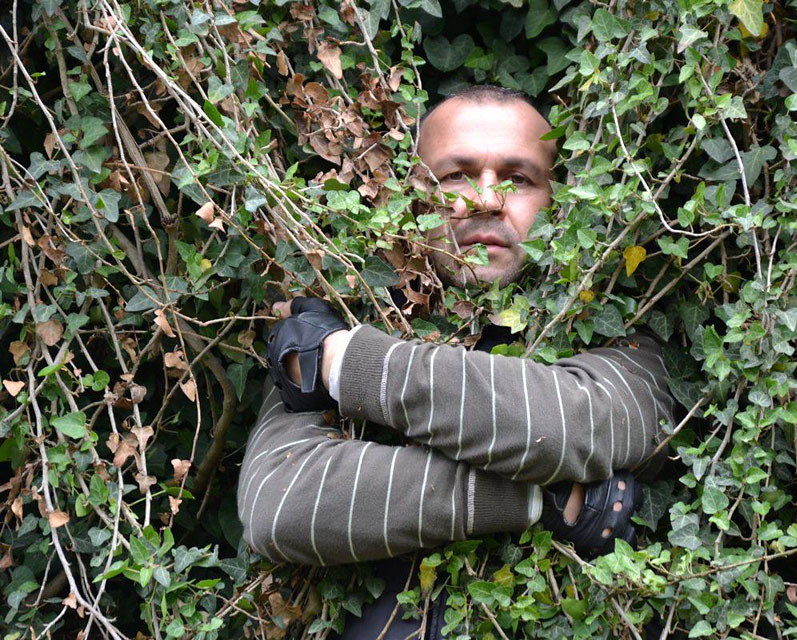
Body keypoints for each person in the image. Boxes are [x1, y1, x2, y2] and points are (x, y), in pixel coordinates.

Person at [237, 85, 677, 638]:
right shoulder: (344, 314)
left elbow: (572, 423)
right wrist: (545, 497)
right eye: (455, 176)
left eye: (518, 178)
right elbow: (279, 506)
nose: (486, 199)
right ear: (407, 194)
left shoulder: (622, 329)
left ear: (561, 203)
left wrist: (347, 365)